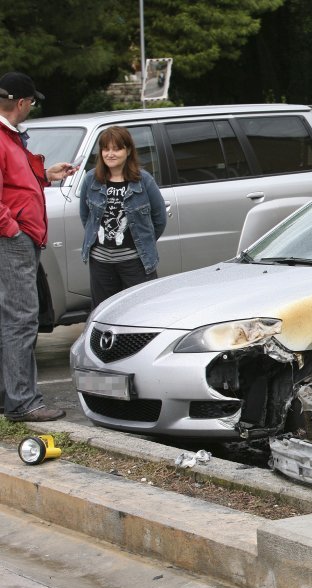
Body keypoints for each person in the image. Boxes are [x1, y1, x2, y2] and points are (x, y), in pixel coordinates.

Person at [0, 71, 77, 422]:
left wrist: (46, 176)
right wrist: (12, 229)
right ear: (21, 102)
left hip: (17, 236)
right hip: (12, 240)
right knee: (21, 320)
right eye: (31, 101)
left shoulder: (10, 137)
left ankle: (10, 397)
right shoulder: (3, 138)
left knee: (12, 319)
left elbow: (13, 182)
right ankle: (23, 402)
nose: (31, 106)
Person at [80, 126, 167, 309]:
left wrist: (142, 243)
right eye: (106, 149)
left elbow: (159, 219)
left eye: (116, 148)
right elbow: (86, 217)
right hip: (101, 264)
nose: (110, 154)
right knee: (104, 313)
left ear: (128, 151)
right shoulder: (91, 180)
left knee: (141, 312)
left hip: (136, 263)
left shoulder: (144, 180)